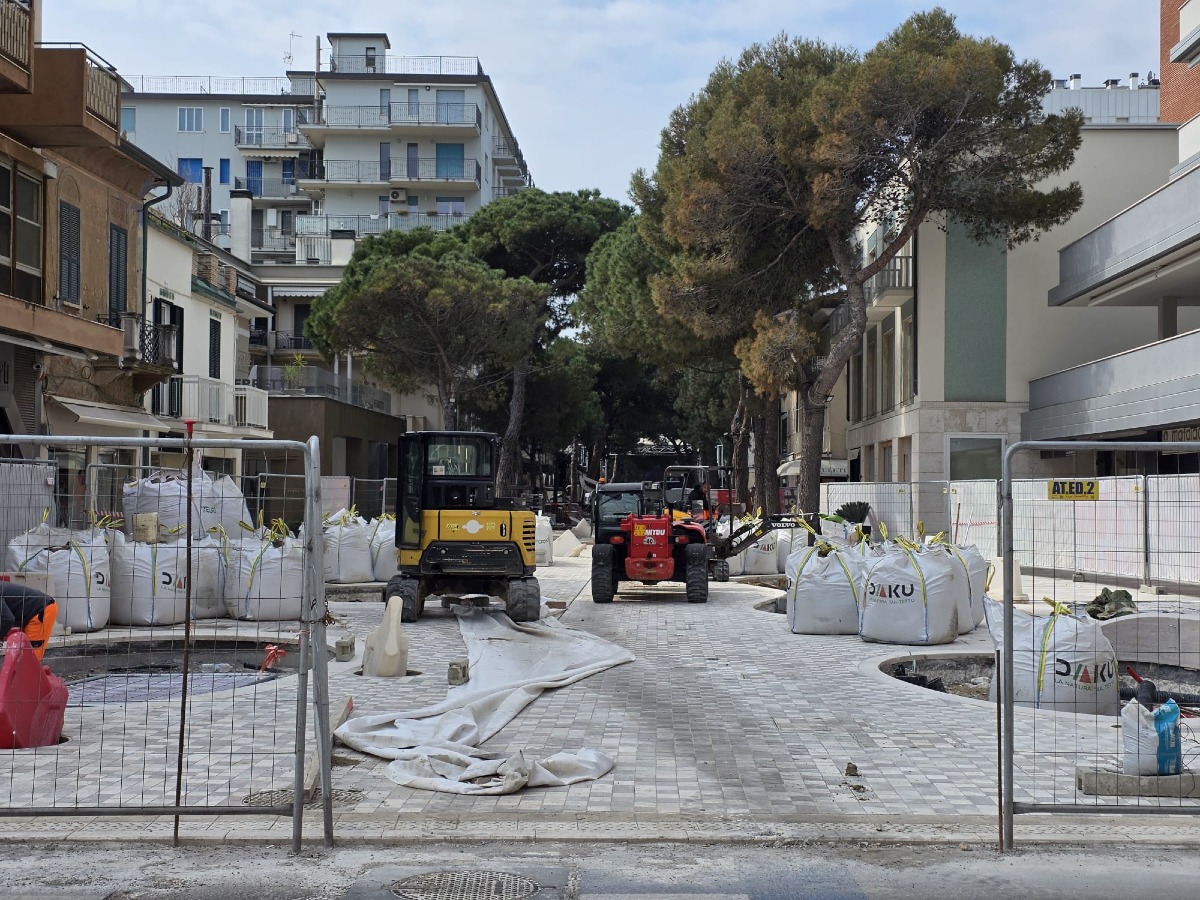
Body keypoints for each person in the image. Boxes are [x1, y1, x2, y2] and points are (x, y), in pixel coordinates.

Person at [0, 581, 58, 663]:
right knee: (21, 659)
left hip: (41, 610)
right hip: (28, 613)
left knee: (30, 661)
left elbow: (7, 620)